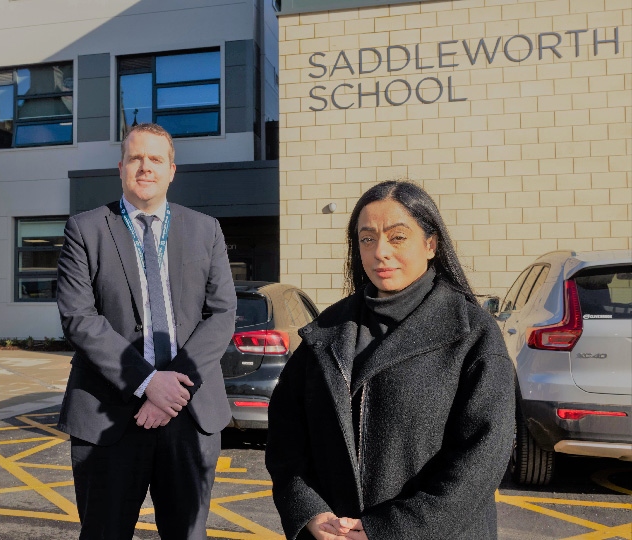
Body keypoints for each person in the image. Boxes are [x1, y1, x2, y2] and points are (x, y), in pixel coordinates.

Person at [265, 180, 515, 540]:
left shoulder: (472, 334)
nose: (380, 251)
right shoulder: (326, 333)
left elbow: (481, 459)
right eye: (367, 238)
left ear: (431, 244)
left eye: (398, 237)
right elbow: (286, 435)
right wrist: (307, 508)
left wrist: (390, 529)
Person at [56, 123, 236, 539]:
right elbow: (79, 318)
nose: (145, 167)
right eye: (136, 158)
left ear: (172, 170)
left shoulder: (205, 230)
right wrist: (147, 383)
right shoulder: (85, 229)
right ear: (121, 167)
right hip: (110, 416)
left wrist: (172, 390)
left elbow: (223, 313)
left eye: (156, 159)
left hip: (188, 415)